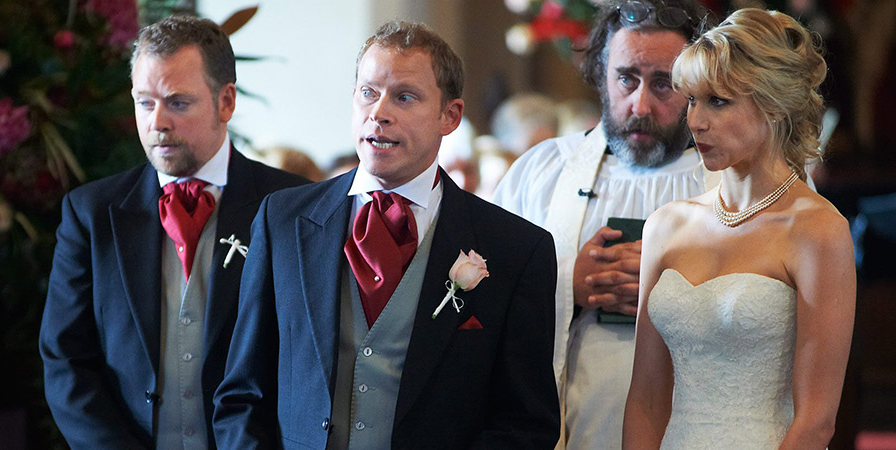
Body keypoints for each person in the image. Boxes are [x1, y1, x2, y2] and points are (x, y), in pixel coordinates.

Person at [212, 21, 560, 449]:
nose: (379, 112)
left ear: (449, 116)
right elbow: (243, 394)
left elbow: (525, 425)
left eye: (405, 96)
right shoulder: (283, 220)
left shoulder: (516, 249)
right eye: (368, 92)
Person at [38, 15, 307, 449]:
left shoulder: (294, 206)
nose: (157, 122)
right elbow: (66, 361)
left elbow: (308, 360)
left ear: (226, 102)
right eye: (145, 103)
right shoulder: (91, 214)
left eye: (178, 103)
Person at [623, 8, 854, 448]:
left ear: (773, 105)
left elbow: (817, 421)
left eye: (718, 102)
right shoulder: (665, 225)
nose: (695, 121)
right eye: (691, 100)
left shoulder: (819, 230)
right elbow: (646, 398)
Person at [492, 0, 715, 447]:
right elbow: (481, 299)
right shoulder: (542, 172)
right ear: (601, 74)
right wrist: (568, 285)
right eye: (626, 78)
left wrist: (678, 293)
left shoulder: (737, 181)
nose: (640, 104)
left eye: (663, 84)